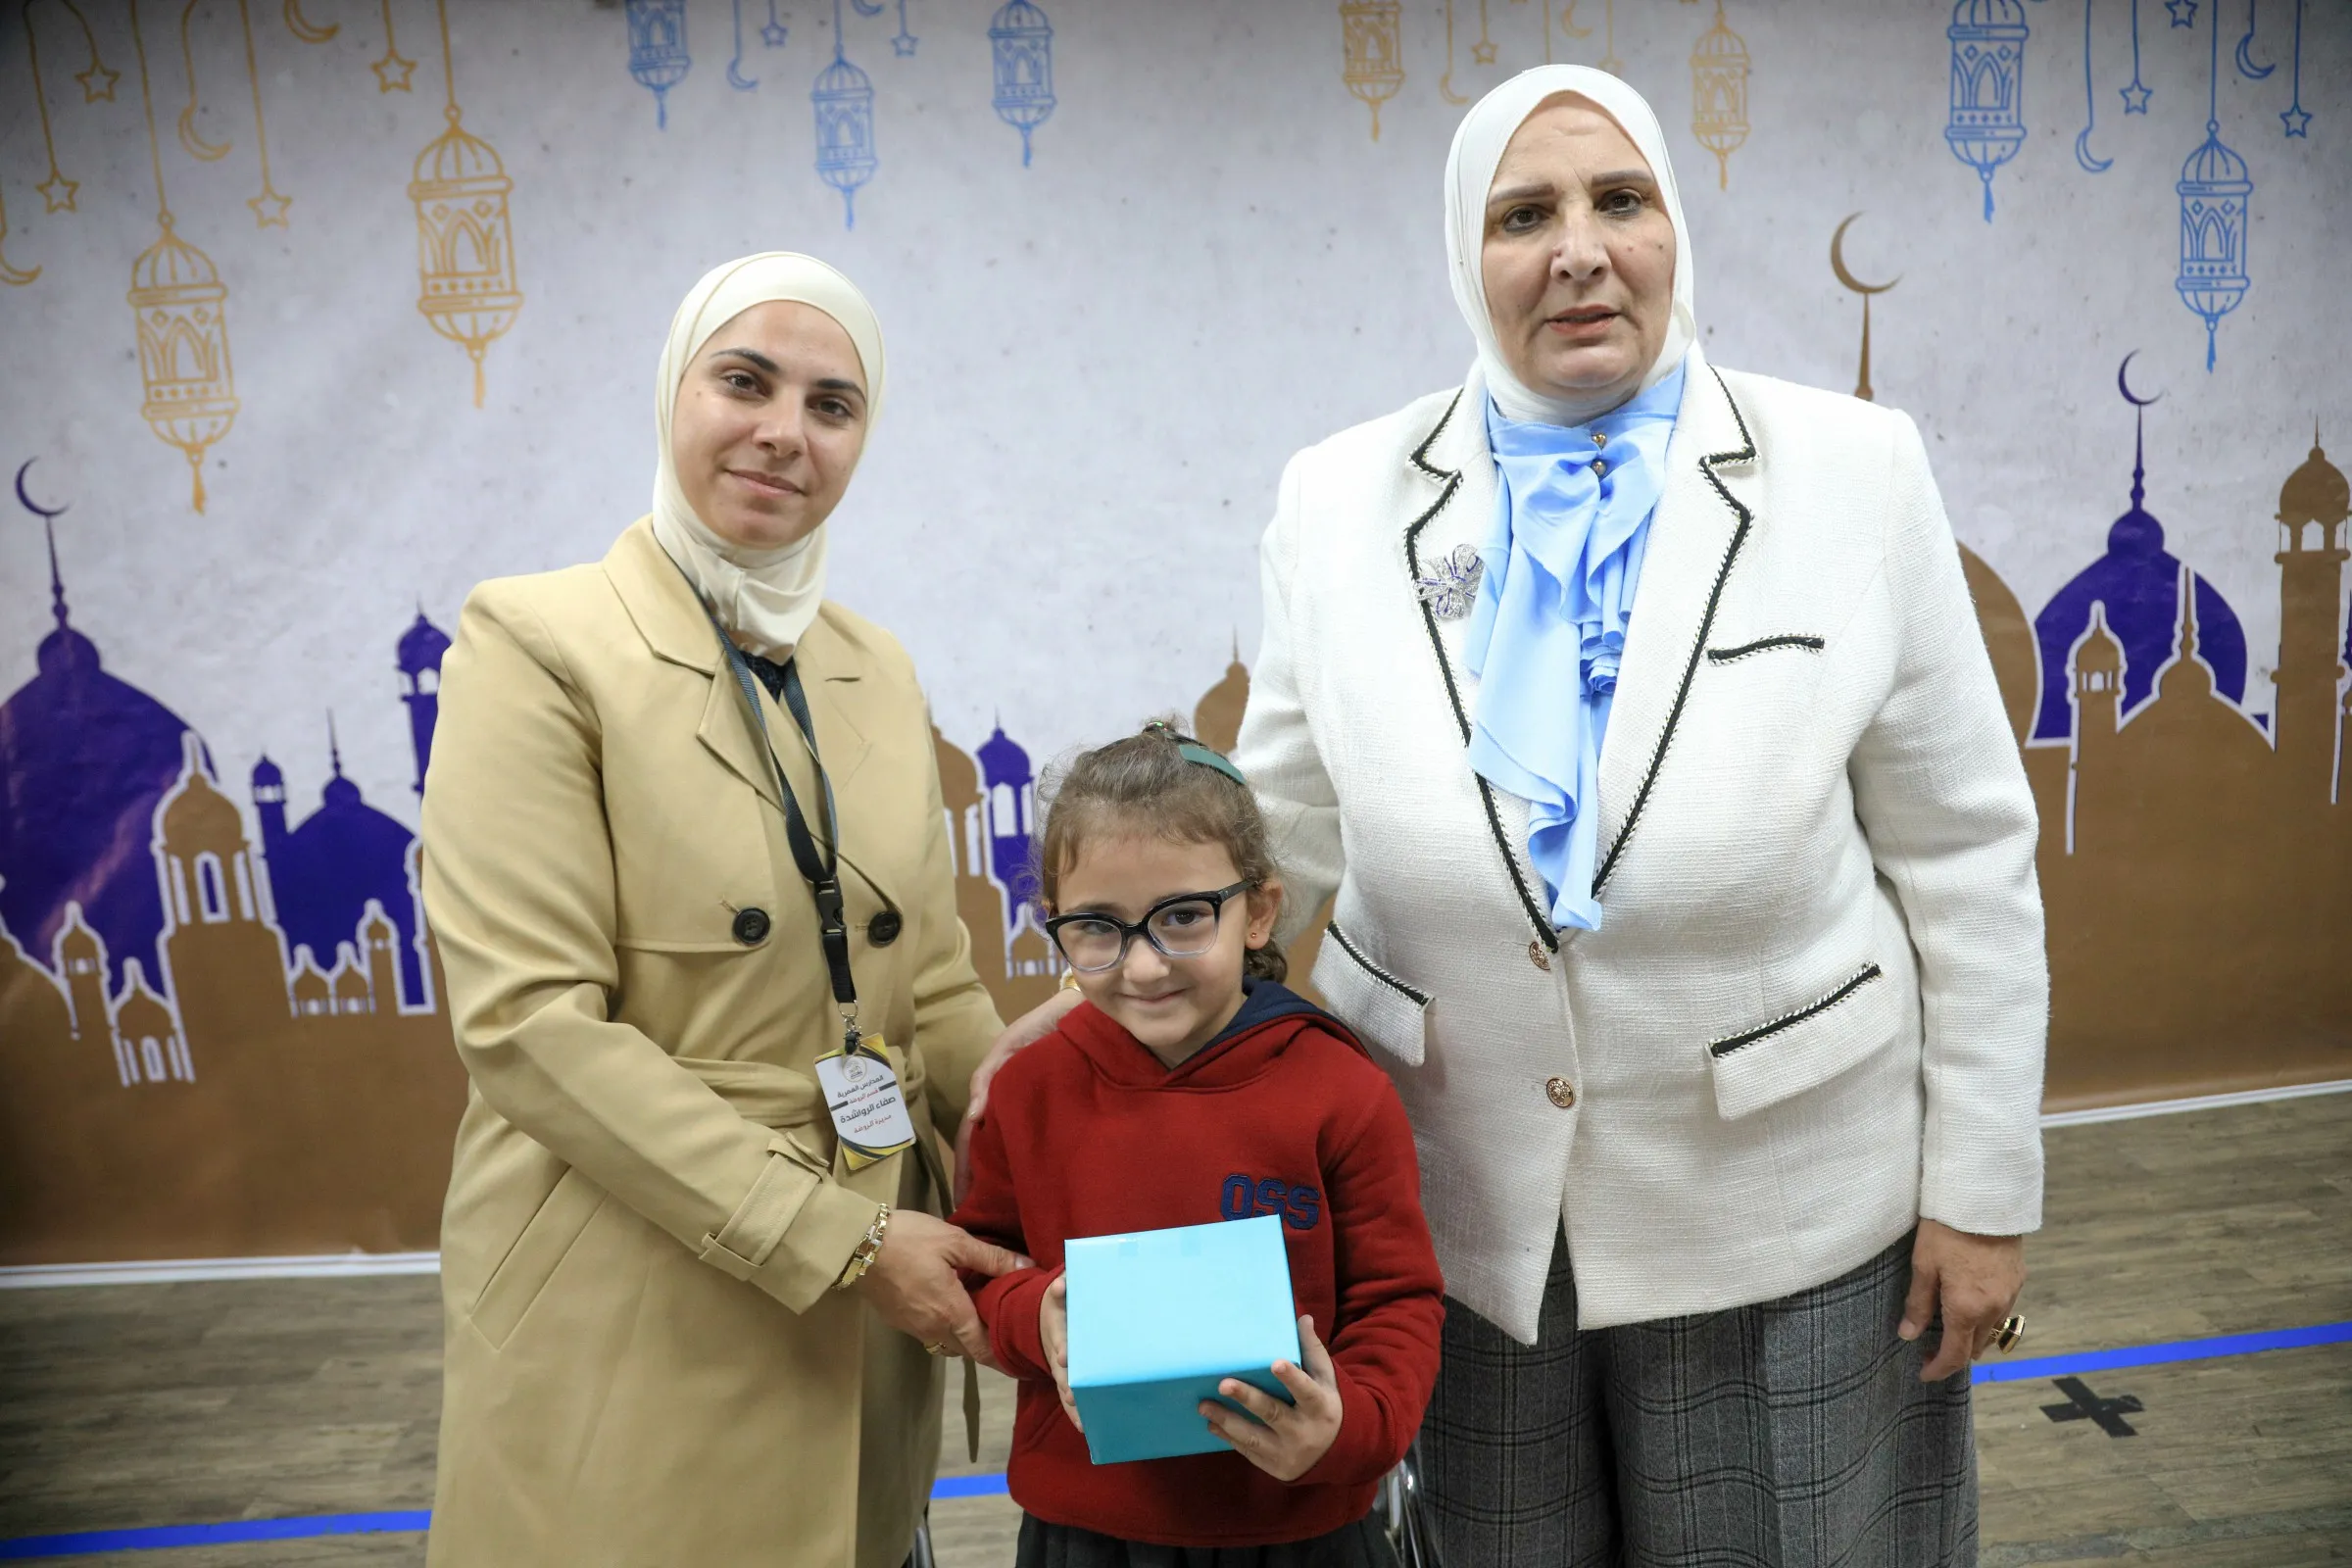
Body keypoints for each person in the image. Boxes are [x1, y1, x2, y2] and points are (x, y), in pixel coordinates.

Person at [1229, 68, 2047, 1564]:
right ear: (1464, 255)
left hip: (1790, 1221)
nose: (1579, 251)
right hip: (1454, 1219)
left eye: (1621, 201)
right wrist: (1112, 1054)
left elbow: (1965, 855)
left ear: (1676, 226)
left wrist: (1985, 1192)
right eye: (1522, 216)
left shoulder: (1854, 473)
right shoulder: (1337, 501)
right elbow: (1268, 845)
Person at [420, 253, 1062, 1568]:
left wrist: (1086, 1151)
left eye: (832, 405)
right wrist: (840, 1240)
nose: (784, 432)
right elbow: (530, 1025)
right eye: (745, 382)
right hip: (633, 1273)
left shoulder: (874, 665)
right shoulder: (537, 641)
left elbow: (933, 982)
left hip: (877, 1262)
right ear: (675, 391)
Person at [953, 723, 1446, 1568]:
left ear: (1259, 912)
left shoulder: (1340, 1090)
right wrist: (1035, 1315)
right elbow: (981, 1266)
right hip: (1087, 1533)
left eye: (1183, 917)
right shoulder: (1027, 1091)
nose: (1144, 967)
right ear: (1054, 926)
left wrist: (1348, 1428)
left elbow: (1396, 1300)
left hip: (1305, 1531)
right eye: (1097, 927)